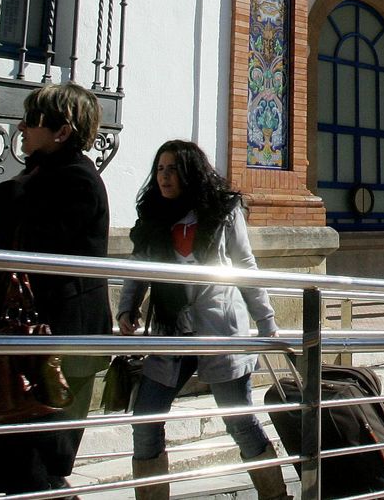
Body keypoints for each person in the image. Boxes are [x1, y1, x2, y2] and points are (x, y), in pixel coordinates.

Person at [118, 140, 290, 500]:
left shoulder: (222, 210)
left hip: (220, 328)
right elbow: (138, 266)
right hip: (171, 330)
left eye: (173, 169)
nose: (164, 177)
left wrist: (266, 321)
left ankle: (275, 495)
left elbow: (245, 266)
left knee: (239, 422)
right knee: (145, 418)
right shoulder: (152, 215)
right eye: (160, 169)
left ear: (190, 172)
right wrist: (126, 307)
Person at [0, 83, 113, 495]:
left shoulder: (76, 180)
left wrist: (9, 199)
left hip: (60, 343)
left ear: (62, 131)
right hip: (31, 337)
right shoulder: (44, 174)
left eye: (32, 120)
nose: (21, 127)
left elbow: (44, 251)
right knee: (21, 466)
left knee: (39, 465)